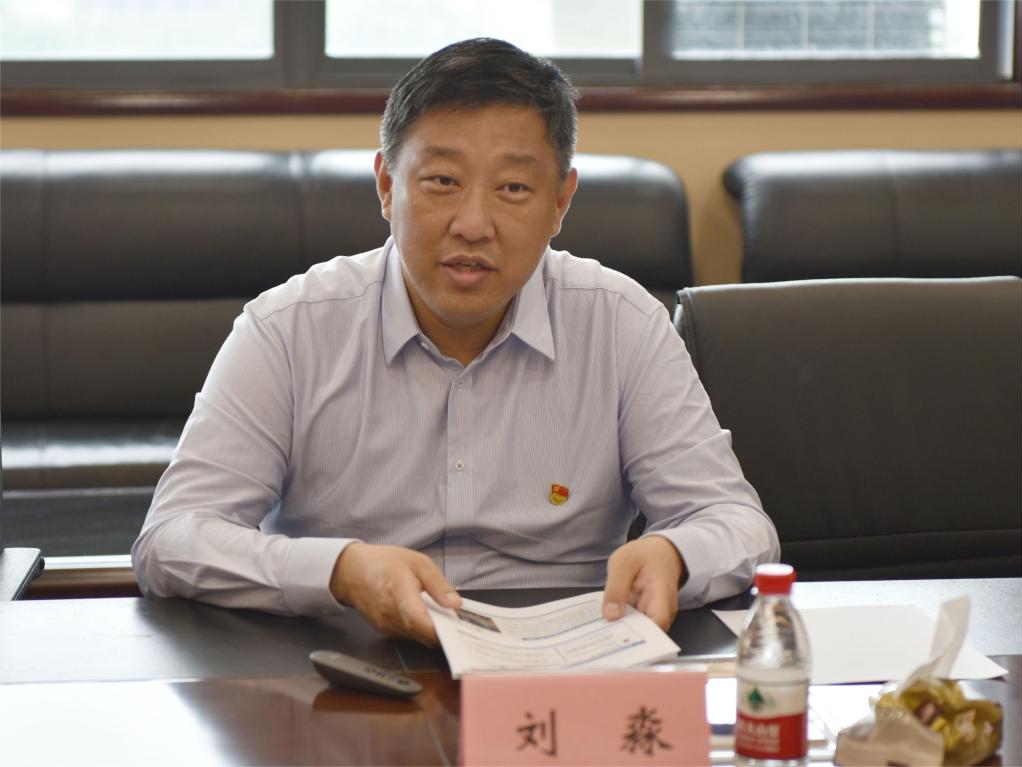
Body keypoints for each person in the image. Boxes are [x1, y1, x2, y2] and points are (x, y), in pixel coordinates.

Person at [132, 38, 779, 647]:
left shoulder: (622, 323)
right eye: (442, 181)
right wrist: (341, 570)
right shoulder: (289, 329)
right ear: (387, 185)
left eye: (513, 188)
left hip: (565, 666)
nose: (473, 224)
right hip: (348, 664)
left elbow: (737, 523)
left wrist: (673, 554)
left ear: (561, 201)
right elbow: (173, 537)